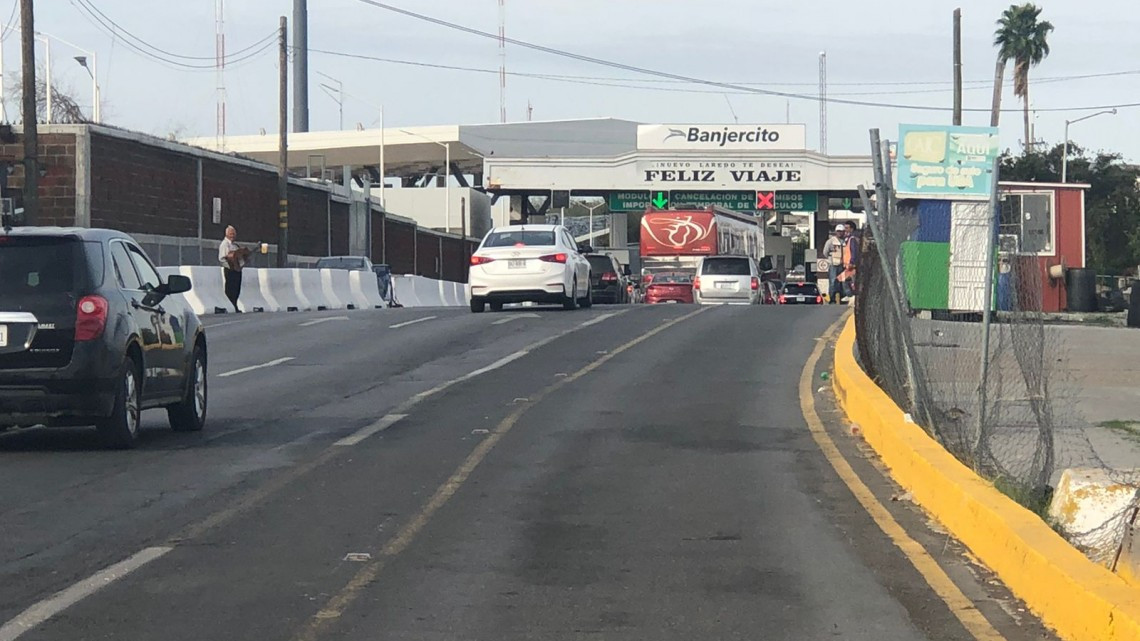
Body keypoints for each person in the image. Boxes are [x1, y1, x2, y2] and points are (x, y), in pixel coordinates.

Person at [218, 226, 249, 313]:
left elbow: (239, 257)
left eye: (234, 234)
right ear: (226, 234)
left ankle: (235, 305)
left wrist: (242, 263)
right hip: (229, 270)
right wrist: (230, 266)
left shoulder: (235, 245)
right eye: (231, 234)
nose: (233, 235)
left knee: (236, 288)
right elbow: (221, 258)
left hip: (237, 270)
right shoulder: (224, 244)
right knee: (230, 288)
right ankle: (231, 305)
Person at [822, 224, 847, 304]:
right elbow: (825, 252)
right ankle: (832, 299)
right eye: (838, 231)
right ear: (836, 232)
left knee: (843, 282)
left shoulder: (846, 241)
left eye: (842, 231)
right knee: (833, 282)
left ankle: (842, 297)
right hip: (833, 265)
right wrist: (831, 259)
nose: (840, 233)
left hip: (844, 265)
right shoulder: (830, 241)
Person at [839, 222, 860, 301]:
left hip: (851, 264)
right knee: (847, 280)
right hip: (847, 264)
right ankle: (850, 294)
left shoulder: (852, 239)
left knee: (848, 280)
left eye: (847, 228)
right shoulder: (847, 239)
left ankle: (851, 295)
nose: (845, 230)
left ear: (851, 229)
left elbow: (854, 251)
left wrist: (852, 262)